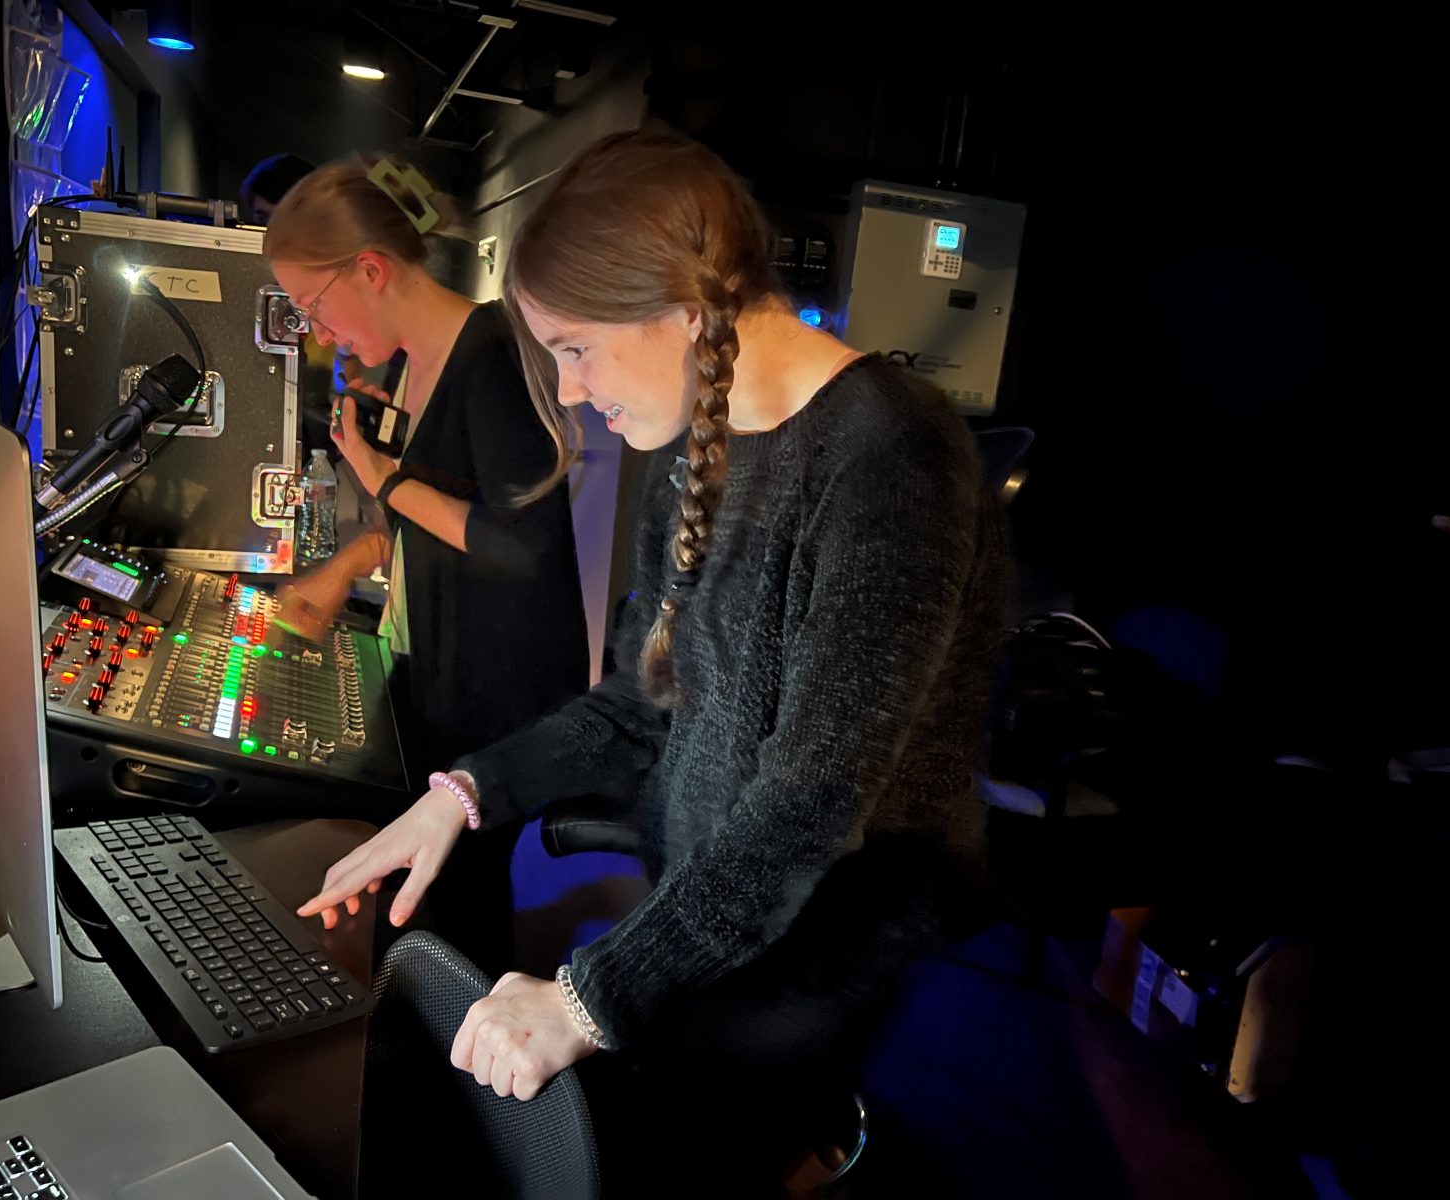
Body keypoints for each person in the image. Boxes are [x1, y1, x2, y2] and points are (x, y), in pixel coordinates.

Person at [298, 130, 1010, 1191]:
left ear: (683, 309)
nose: (572, 393)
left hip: (827, 929)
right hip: (719, 901)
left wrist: (587, 1000)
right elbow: (639, 704)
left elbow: (811, 803)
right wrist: (459, 796)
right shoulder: (697, 445)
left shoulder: (891, 453)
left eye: (575, 349)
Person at [265, 154, 589, 975]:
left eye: (313, 304)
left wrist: (386, 479)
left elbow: (524, 545)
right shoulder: (419, 363)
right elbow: (438, 524)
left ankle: (473, 1077)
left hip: (496, 694)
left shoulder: (491, 355)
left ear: (370, 270)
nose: (318, 330)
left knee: (463, 906)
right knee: (430, 900)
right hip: (445, 668)